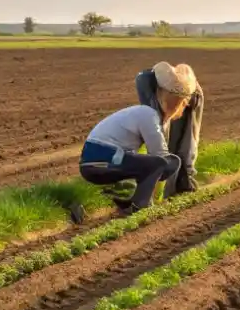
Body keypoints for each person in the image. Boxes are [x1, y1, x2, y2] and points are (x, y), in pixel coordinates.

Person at [74, 64, 196, 221]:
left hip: (96, 161)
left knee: (155, 164)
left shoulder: (140, 112)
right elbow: (159, 154)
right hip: (103, 160)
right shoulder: (148, 115)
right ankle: (140, 206)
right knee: (162, 163)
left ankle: (129, 199)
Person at [135, 61, 203, 197]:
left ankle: (184, 182)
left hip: (193, 96)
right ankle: (158, 191)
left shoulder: (194, 94)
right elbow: (157, 135)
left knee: (187, 142)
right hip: (156, 102)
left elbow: (190, 140)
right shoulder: (147, 87)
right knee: (161, 146)